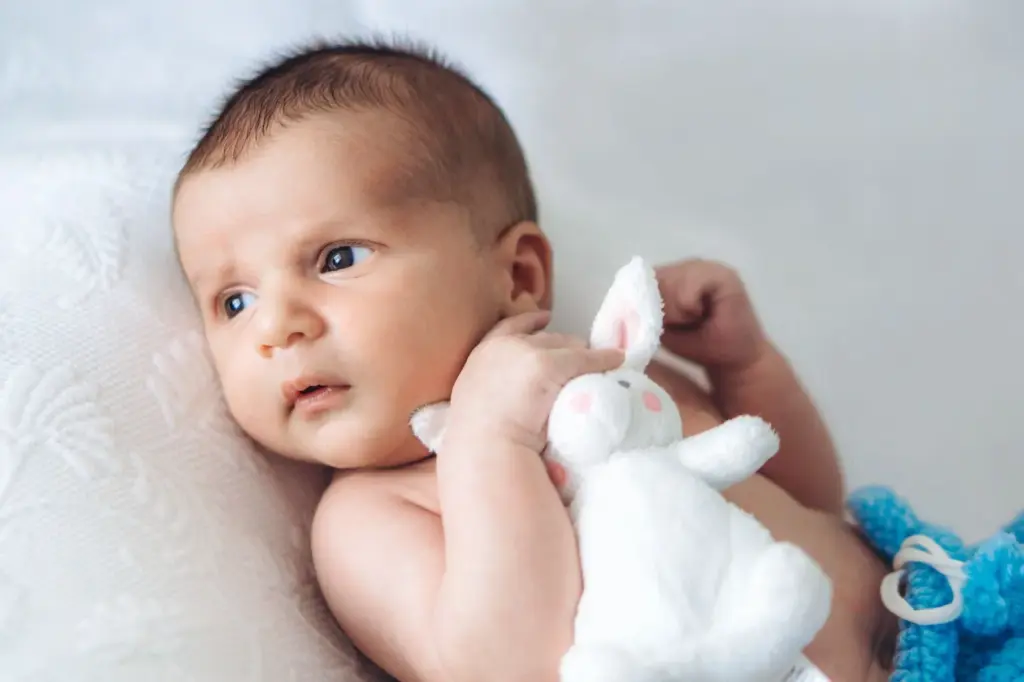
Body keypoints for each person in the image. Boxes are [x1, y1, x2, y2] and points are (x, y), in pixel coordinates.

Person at [171, 38, 896, 682]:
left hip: (942, 616)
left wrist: (746, 368)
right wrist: (488, 440)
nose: (276, 327)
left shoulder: (608, 371)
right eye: (234, 302)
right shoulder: (369, 518)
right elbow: (504, 666)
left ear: (517, 277)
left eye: (335, 258)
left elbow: (810, 501)